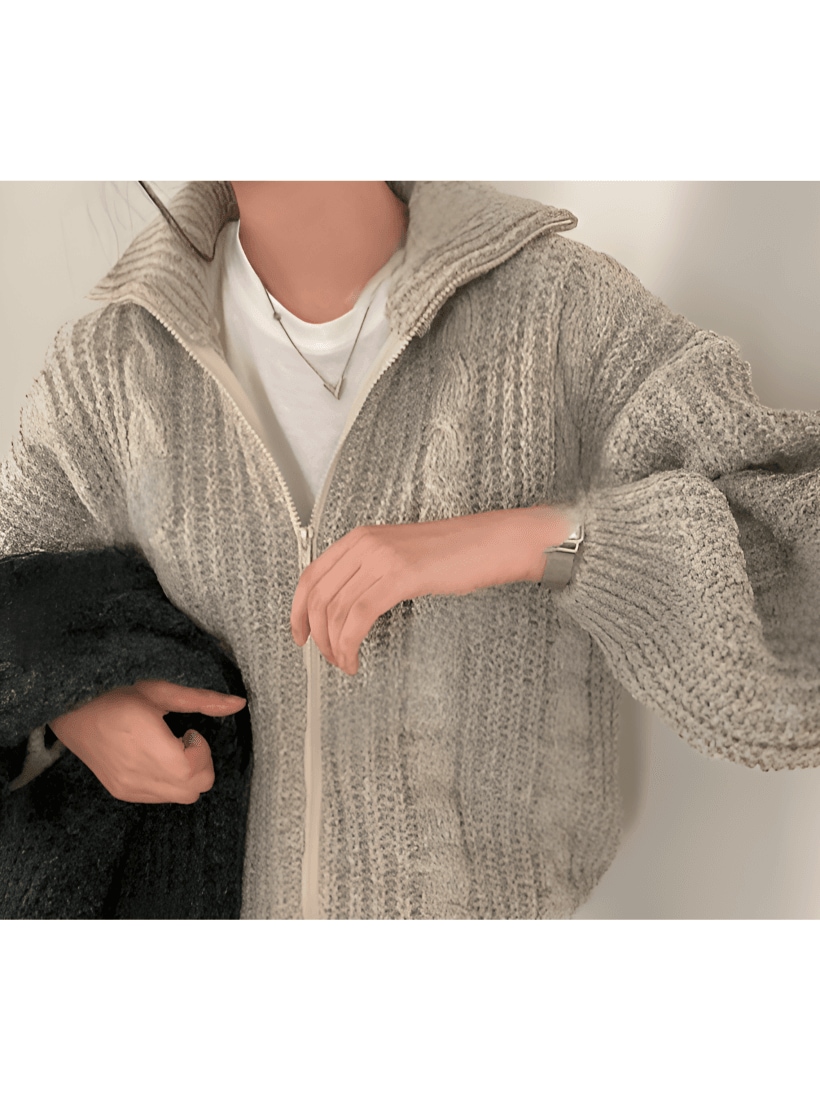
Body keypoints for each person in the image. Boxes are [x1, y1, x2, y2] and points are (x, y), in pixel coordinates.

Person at [1, 181, 818, 920]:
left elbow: (796, 563)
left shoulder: (560, 312)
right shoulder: (110, 367)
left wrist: (535, 539)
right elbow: (14, 592)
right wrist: (71, 705)